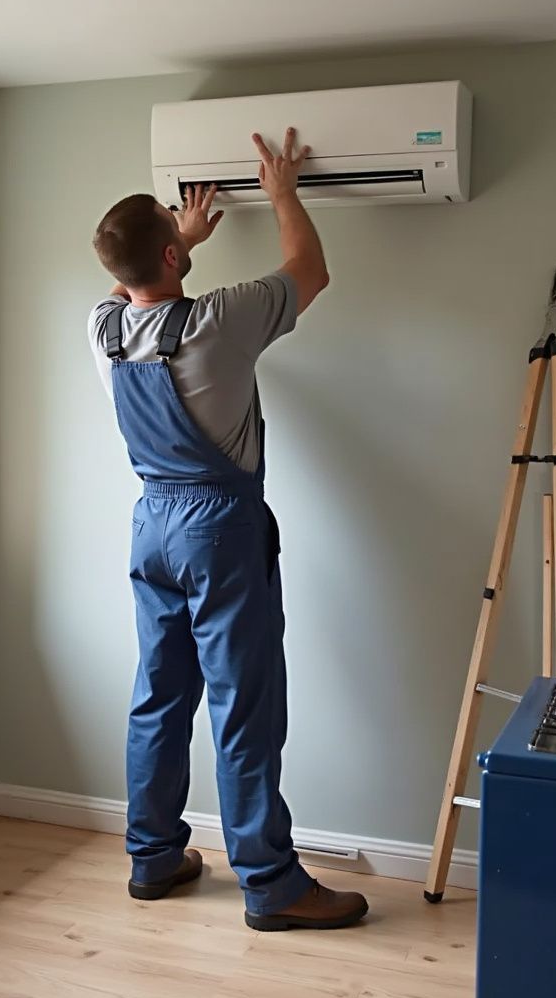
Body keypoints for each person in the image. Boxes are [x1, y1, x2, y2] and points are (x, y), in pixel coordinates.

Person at [88, 128, 368, 931]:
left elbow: (128, 274)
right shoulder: (219, 321)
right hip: (217, 527)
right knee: (243, 704)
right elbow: (310, 272)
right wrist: (281, 190)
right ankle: (272, 885)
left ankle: (153, 859)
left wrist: (170, 243)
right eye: (172, 236)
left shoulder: (102, 331)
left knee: (159, 696)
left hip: (151, 524)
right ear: (172, 258)